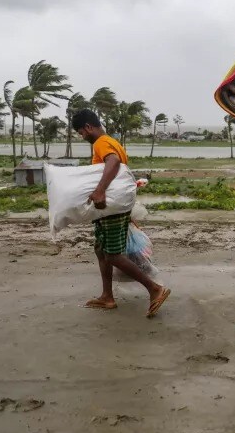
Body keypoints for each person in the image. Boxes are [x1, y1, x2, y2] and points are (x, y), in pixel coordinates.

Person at [71, 109, 171, 317]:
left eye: (81, 132)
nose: (83, 137)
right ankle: (107, 296)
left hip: (111, 207)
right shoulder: (111, 141)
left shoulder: (101, 143)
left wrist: (99, 191)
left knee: (113, 254)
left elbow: (114, 162)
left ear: (88, 127)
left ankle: (155, 288)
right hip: (113, 206)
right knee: (101, 249)